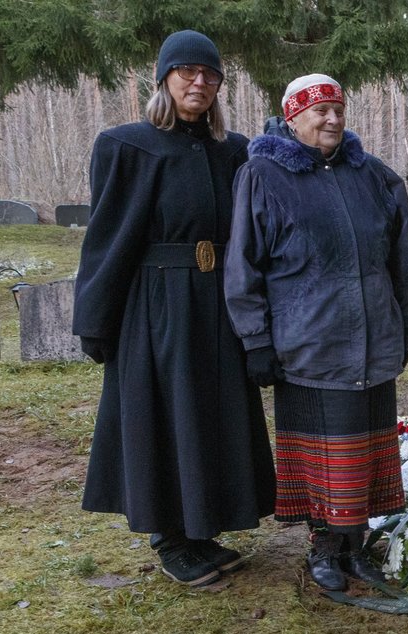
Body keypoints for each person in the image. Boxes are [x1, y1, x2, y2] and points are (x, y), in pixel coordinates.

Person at [73, 30, 276, 587]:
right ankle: (170, 537)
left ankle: (203, 526)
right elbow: (109, 237)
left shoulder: (233, 150)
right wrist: (94, 320)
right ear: (163, 78)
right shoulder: (127, 145)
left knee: (212, 412)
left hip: (219, 299)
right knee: (167, 410)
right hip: (157, 304)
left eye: (210, 75)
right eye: (186, 71)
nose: (199, 82)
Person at [225, 74, 408, 592]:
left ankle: (356, 546)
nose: (332, 119)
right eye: (319, 112)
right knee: (324, 451)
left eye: (338, 109)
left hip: (374, 341)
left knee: (367, 449)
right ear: (292, 119)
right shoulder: (264, 177)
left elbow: (406, 261)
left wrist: (404, 323)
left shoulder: (375, 177)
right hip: (309, 344)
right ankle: (323, 547)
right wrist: (257, 340)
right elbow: (243, 266)